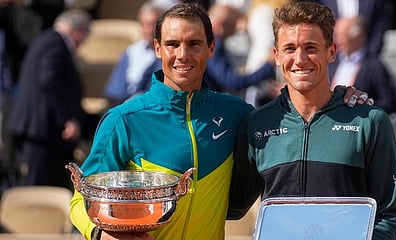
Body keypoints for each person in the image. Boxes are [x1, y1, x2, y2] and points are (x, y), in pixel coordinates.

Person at [69, 3, 372, 240]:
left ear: (212, 48)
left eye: (194, 44)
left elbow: (295, 111)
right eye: (173, 44)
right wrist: (98, 232)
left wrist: (343, 98)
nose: (182, 55)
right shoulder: (123, 120)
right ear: (157, 48)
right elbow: (79, 201)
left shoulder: (236, 114)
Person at [228, 2, 396, 240]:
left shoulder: (370, 122)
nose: (300, 59)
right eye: (289, 48)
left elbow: (388, 214)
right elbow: (232, 206)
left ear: (331, 51)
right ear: (277, 56)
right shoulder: (257, 124)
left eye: (310, 47)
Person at [6, 9, 92, 190]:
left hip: (41, 132)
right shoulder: (55, 43)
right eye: (84, 36)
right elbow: (50, 83)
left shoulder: (45, 39)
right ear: (79, 31)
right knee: (36, 190)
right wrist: (66, 119)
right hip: (41, 131)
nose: (83, 42)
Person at [330, 15, 396, 114]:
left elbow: (389, 102)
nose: (337, 41)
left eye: (342, 35)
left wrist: (363, 110)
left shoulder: (374, 66)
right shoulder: (331, 62)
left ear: (358, 37)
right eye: (336, 36)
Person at [103, 1, 165, 107]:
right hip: (132, 109)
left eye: (154, 24)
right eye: (146, 24)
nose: (150, 30)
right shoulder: (131, 52)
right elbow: (115, 93)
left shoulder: (174, 52)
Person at [204, 3, 276, 93]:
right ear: (221, 25)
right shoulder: (212, 45)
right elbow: (232, 82)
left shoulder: (207, 42)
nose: (235, 31)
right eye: (232, 26)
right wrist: (268, 66)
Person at [317, 0, 387, 57]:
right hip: (332, 60)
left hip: (365, 59)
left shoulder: (373, 2)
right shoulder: (321, 2)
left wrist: (370, 55)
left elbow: (378, 28)